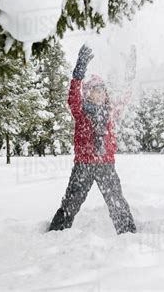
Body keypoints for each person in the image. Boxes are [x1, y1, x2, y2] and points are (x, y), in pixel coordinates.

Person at [48, 44, 136, 234]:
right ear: (88, 93)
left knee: (116, 201)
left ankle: (128, 234)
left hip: (106, 164)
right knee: (71, 200)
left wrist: (130, 75)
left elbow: (125, 98)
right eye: (95, 90)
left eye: (101, 90)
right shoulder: (81, 111)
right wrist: (78, 73)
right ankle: (57, 232)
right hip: (84, 164)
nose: (99, 94)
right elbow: (72, 98)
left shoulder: (110, 112)